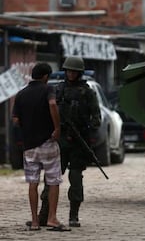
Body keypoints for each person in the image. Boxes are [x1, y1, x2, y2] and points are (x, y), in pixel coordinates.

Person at [36, 56, 101, 228]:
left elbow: (97, 119)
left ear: (80, 73)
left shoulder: (88, 93)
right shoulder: (58, 90)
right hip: (61, 140)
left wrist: (85, 128)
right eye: (69, 71)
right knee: (52, 178)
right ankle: (44, 215)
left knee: (75, 177)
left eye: (74, 71)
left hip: (79, 142)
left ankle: (74, 215)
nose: (71, 74)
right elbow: (48, 112)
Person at [12, 63, 70, 231]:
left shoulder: (21, 94)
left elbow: (15, 120)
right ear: (45, 76)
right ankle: (52, 218)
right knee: (53, 181)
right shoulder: (47, 90)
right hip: (48, 143)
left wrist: (26, 132)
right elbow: (52, 105)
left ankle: (35, 221)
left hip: (29, 146)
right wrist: (57, 128)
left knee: (32, 182)